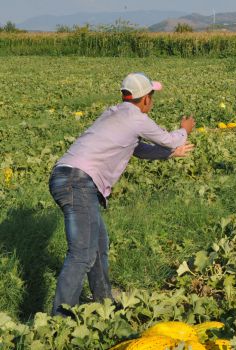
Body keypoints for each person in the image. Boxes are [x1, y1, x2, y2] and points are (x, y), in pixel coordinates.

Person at [49, 72, 195, 316]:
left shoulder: (113, 114)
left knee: (97, 244)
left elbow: (138, 149)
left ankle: (104, 302)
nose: (153, 100)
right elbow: (169, 140)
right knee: (82, 254)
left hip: (68, 177)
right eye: (152, 95)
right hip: (77, 183)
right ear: (145, 99)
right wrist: (184, 130)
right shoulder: (136, 119)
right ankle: (59, 319)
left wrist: (170, 155)